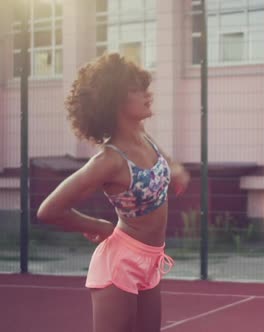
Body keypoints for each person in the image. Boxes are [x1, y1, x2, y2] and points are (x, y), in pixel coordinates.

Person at [37, 53, 190, 332]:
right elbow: (49, 209)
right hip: (120, 262)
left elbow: (164, 159)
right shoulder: (109, 160)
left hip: (152, 259)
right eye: (135, 89)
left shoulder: (143, 136)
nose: (147, 93)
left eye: (144, 86)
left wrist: (176, 170)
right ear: (114, 99)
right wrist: (97, 226)